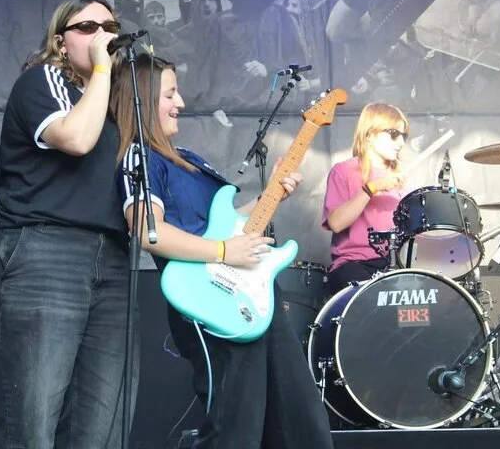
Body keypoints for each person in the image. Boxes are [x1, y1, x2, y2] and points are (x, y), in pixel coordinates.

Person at [110, 53, 335, 449]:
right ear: (142, 99)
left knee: (300, 419)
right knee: (236, 428)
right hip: (210, 297)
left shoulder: (188, 159)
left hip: (254, 291)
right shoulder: (139, 156)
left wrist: (272, 194)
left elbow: (228, 224)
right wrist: (222, 251)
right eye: (170, 94)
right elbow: (147, 231)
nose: (180, 103)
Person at [0, 0, 136, 449]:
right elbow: (75, 138)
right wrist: (103, 69)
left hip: (112, 256)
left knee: (103, 422)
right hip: (46, 250)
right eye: (87, 28)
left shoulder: (119, 104)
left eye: (110, 29)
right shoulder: (43, 80)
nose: (102, 37)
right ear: (59, 41)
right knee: (31, 417)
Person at [322, 102, 410, 297]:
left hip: (395, 264)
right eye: (394, 134)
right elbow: (336, 223)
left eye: (404, 136)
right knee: (369, 298)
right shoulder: (343, 171)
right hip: (354, 264)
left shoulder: (399, 179)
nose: (401, 142)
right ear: (369, 134)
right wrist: (372, 188)